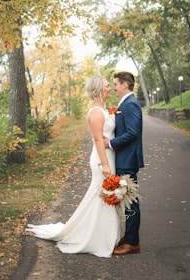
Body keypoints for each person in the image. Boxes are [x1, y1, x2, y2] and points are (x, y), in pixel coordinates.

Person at [25, 75, 120, 257]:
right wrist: (106, 165)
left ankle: (104, 235)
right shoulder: (95, 113)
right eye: (108, 86)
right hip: (102, 159)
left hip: (109, 156)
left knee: (104, 196)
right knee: (102, 196)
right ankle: (96, 238)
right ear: (100, 89)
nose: (110, 89)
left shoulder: (103, 109)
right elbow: (98, 139)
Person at [104, 71, 144, 255]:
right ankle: (129, 237)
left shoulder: (131, 105)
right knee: (127, 200)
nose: (113, 88)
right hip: (124, 159)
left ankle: (132, 243)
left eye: (116, 84)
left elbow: (132, 133)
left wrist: (111, 143)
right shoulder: (126, 103)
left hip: (127, 160)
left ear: (125, 85)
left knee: (130, 202)